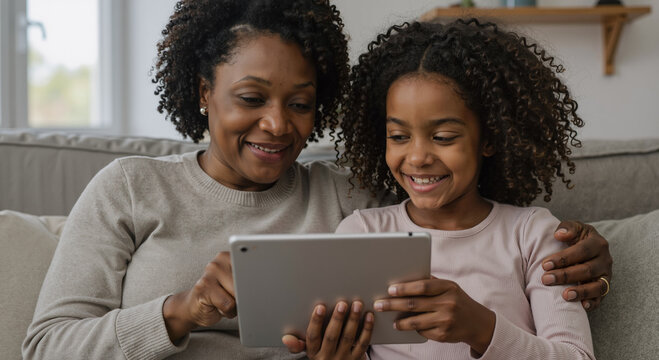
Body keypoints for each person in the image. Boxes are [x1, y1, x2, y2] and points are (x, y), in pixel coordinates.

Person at [22, 1, 609, 358]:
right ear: (204, 93)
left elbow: (463, 215)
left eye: (301, 104)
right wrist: (182, 310)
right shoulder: (129, 187)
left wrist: (589, 253)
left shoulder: (352, 196)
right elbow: (47, 348)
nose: (278, 125)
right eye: (251, 98)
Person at [327, 19, 598, 358]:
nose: (417, 157)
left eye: (443, 137)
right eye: (398, 137)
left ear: (489, 138)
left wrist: (481, 329)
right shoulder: (361, 233)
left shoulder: (533, 235)